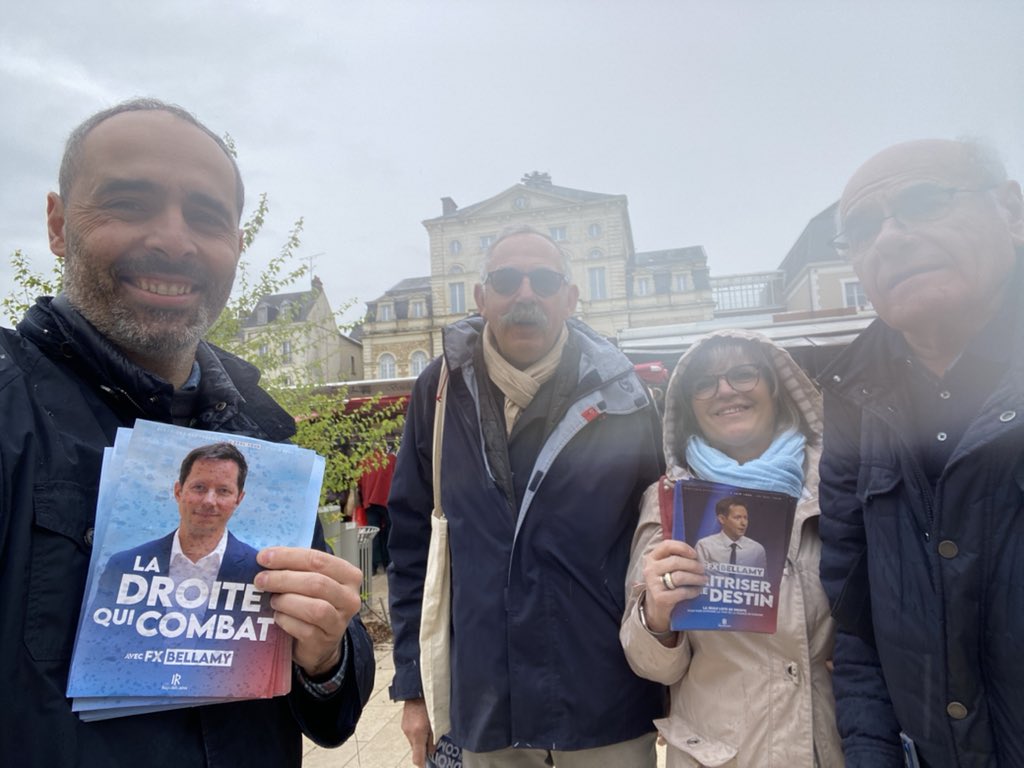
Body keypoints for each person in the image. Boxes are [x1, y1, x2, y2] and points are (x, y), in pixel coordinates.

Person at [0, 98, 373, 767]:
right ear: (57, 226)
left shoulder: (263, 440)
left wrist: (326, 653)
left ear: (234, 243)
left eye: (206, 216)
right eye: (129, 202)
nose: (174, 238)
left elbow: (333, 717)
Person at [388, 224, 664, 767]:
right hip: (486, 698)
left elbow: (656, 534)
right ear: (482, 297)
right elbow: (411, 543)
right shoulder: (439, 389)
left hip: (602, 694)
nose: (525, 294)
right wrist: (414, 685)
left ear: (569, 297)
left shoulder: (624, 395)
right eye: (508, 280)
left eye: (542, 280)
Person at [819, 139, 1024, 767]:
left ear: (1012, 212)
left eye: (924, 202)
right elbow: (855, 627)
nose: (890, 238)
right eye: (861, 229)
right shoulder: (851, 401)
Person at [621, 329, 843, 767]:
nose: (725, 390)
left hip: (830, 744)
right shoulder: (670, 498)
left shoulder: (837, 482)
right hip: (723, 754)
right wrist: (658, 618)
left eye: (743, 374)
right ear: (689, 407)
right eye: (704, 383)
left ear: (777, 388)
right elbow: (650, 666)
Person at [694, 497, 767, 569]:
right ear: (722, 519)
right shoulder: (704, 546)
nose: (743, 523)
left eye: (745, 518)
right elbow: (697, 578)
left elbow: (762, 580)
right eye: (737, 518)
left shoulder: (757, 549)